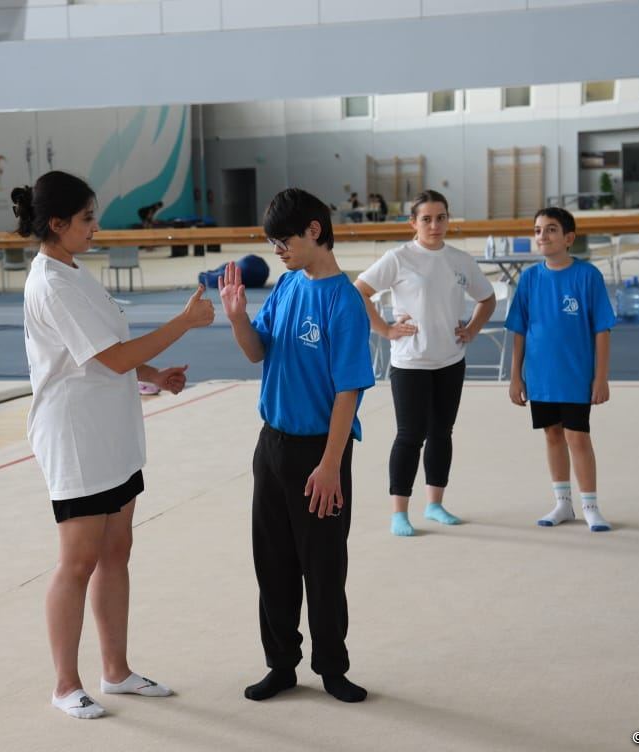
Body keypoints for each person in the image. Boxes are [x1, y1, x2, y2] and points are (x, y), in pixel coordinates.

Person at [12, 171, 215, 719]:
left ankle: (116, 671)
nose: (95, 226)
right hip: (76, 437)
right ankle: (65, 684)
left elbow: (111, 352)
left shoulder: (75, 272)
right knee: (77, 561)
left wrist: (155, 375)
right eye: (87, 218)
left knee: (116, 551)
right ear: (57, 224)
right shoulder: (51, 284)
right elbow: (113, 357)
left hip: (112, 430)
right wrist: (184, 322)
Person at [218, 187, 375, 704]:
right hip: (272, 446)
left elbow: (348, 391)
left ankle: (332, 667)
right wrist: (238, 318)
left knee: (323, 568)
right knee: (273, 564)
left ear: (314, 230)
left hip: (319, 452)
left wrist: (331, 465)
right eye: (271, 243)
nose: (277, 251)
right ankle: (281, 663)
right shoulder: (286, 286)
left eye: (283, 241)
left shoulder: (344, 302)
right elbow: (255, 352)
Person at [354, 190, 496, 536]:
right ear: (413, 223)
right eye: (427, 219)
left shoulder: (460, 260)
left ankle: (435, 504)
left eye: (441, 217)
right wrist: (386, 329)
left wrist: (472, 329)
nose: (435, 225)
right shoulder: (399, 258)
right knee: (410, 435)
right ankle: (399, 512)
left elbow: (487, 298)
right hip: (411, 363)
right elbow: (359, 291)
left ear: (448, 219)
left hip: (450, 360)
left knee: (442, 433)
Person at [505, 206, 616, 532]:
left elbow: (602, 329)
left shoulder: (587, 276)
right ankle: (563, 503)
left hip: (576, 375)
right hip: (541, 377)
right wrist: (515, 376)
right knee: (552, 435)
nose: (543, 235)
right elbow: (519, 331)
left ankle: (591, 505)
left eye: (551, 229)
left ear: (569, 238)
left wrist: (601, 377)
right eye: (538, 230)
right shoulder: (529, 279)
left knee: (577, 437)